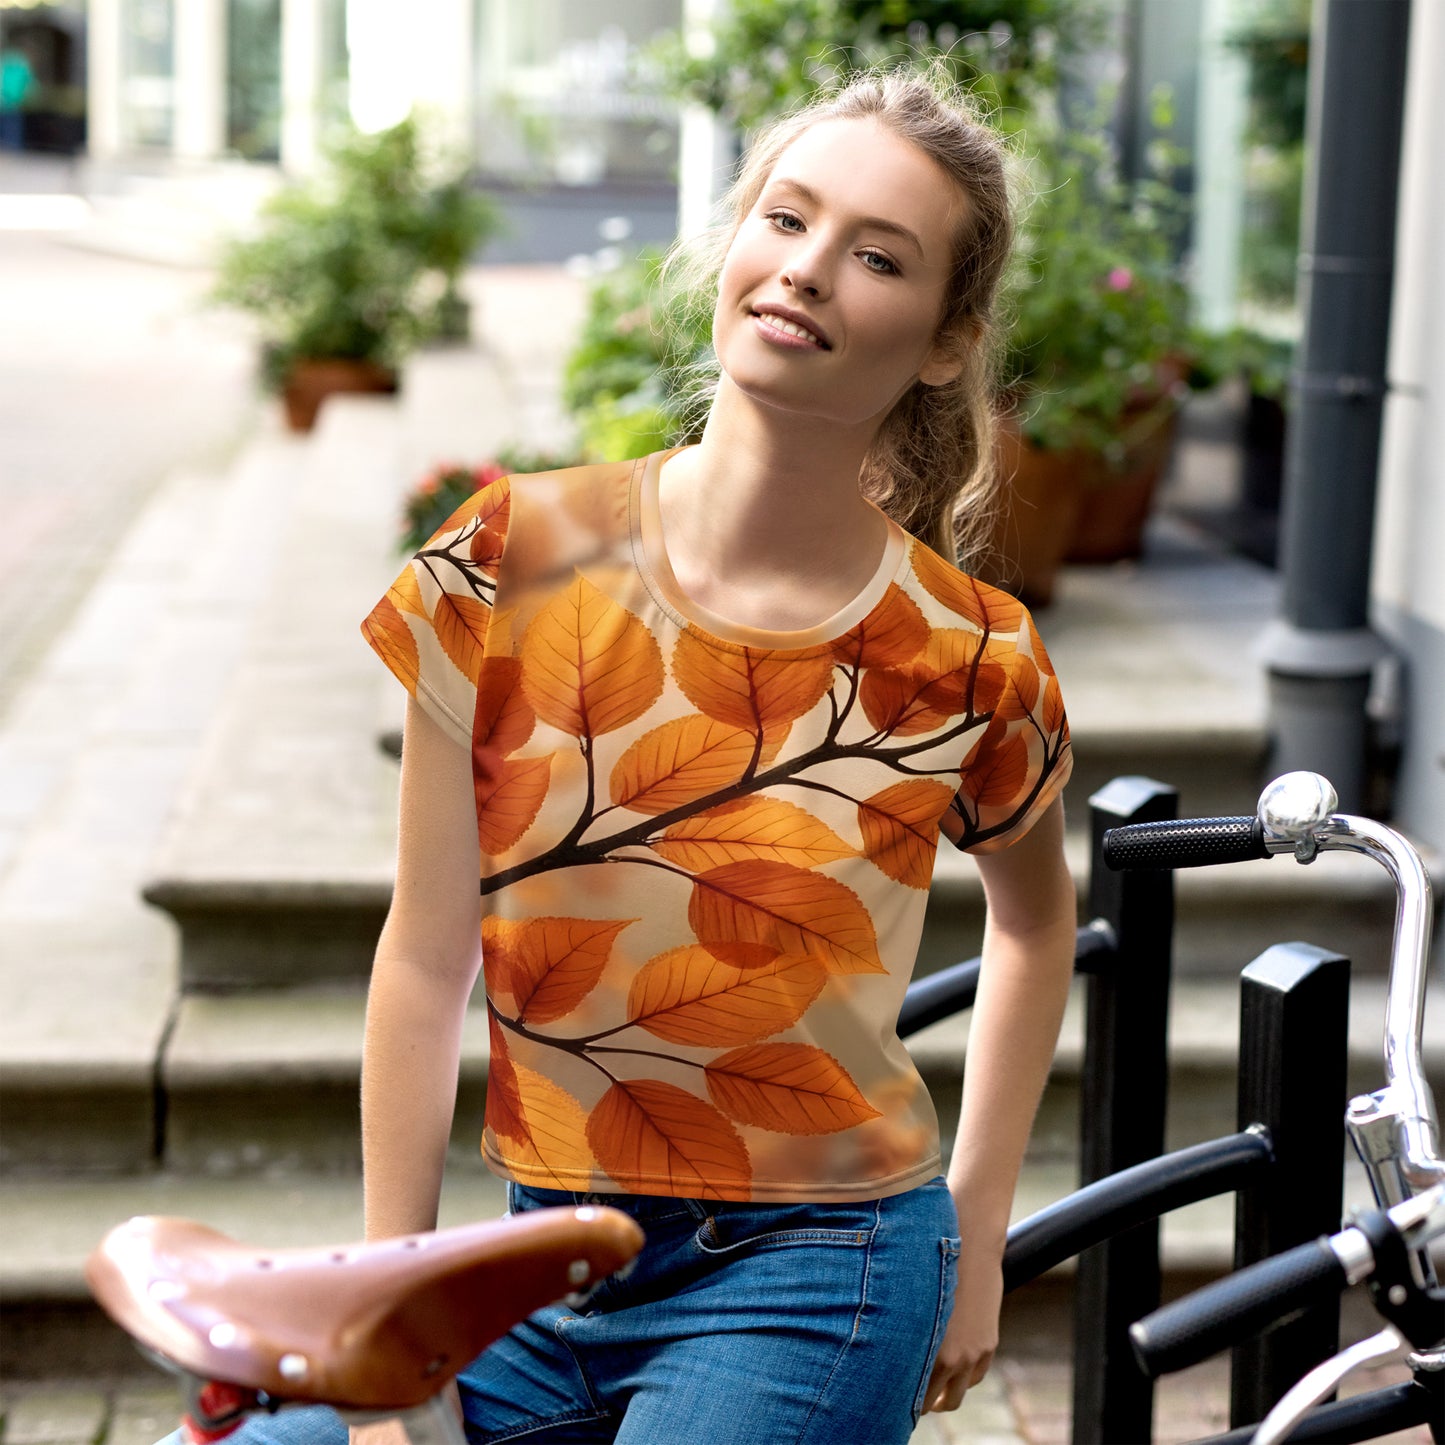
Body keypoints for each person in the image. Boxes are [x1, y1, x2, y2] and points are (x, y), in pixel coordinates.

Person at [203, 62, 1077, 1445]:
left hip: (819, 1269)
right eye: (786, 220)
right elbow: (425, 960)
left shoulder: (966, 653)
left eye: (875, 256)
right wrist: (392, 1339)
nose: (807, 271)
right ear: (733, 240)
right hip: (532, 1265)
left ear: (942, 342)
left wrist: (975, 1232)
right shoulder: (505, 564)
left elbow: (1037, 927)